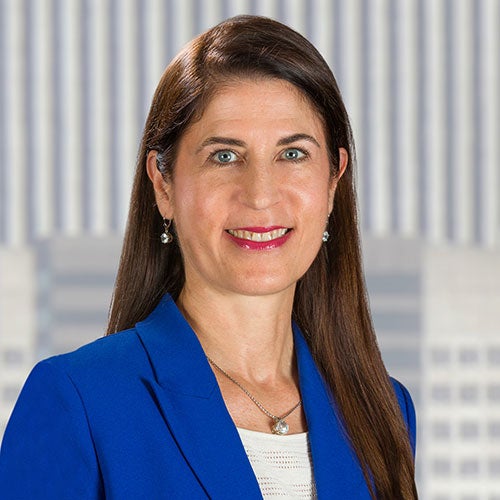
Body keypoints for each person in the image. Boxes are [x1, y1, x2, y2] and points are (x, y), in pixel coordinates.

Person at [0, 15, 417, 499]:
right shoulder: (79, 401)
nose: (260, 195)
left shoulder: (383, 409)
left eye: (292, 154)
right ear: (163, 184)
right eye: (224, 156)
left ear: (333, 182)